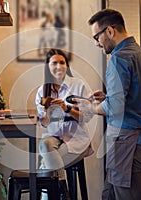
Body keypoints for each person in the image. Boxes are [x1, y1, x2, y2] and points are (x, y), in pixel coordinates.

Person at [73, 9, 141, 200]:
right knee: (109, 194)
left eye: (97, 36)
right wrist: (108, 97)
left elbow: (115, 108)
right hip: (137, 140)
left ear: (110, 31)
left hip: (126, 142)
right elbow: (135, 96)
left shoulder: (119, 58)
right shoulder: (140, 53)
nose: (96, 43)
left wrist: (91, 108)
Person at [35, 48, 93, 199]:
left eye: (62, 62)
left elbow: (86, 117)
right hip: (54, 136)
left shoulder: (78, 85)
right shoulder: (43, 91)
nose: (59, 66)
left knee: (47, 167)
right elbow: (45, 124)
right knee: (44, 145)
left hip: (76, 138)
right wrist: (45, 111)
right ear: (48, 66)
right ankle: (62, 193)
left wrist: (66, 108)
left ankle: (61, 193)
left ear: (67, 66)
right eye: (54, 63)